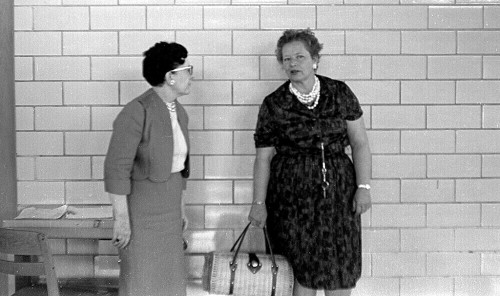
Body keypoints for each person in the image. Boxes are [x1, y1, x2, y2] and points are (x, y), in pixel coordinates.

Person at [248, 29, 372, 296]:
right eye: (286, 59)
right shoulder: (274, 104)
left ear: (315, 59)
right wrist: (258, 203)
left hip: (339, 197)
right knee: (300, 272)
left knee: (341, 268)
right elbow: (263, 158)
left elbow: (360, 143)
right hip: (291, 201)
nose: (292, 63)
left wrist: (364, 186)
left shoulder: (339, 92)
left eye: (299, 57)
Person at [104, 41, 193, 296]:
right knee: (141, 281)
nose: (192, 75)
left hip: (170, 208)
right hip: (141, 214)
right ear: (170, 77)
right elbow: (115, 168)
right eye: (188, 69)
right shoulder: (136, 111)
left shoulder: (180, 113)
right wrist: (121, 220)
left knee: (171, 283)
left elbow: (180, 168)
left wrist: (181, 208)